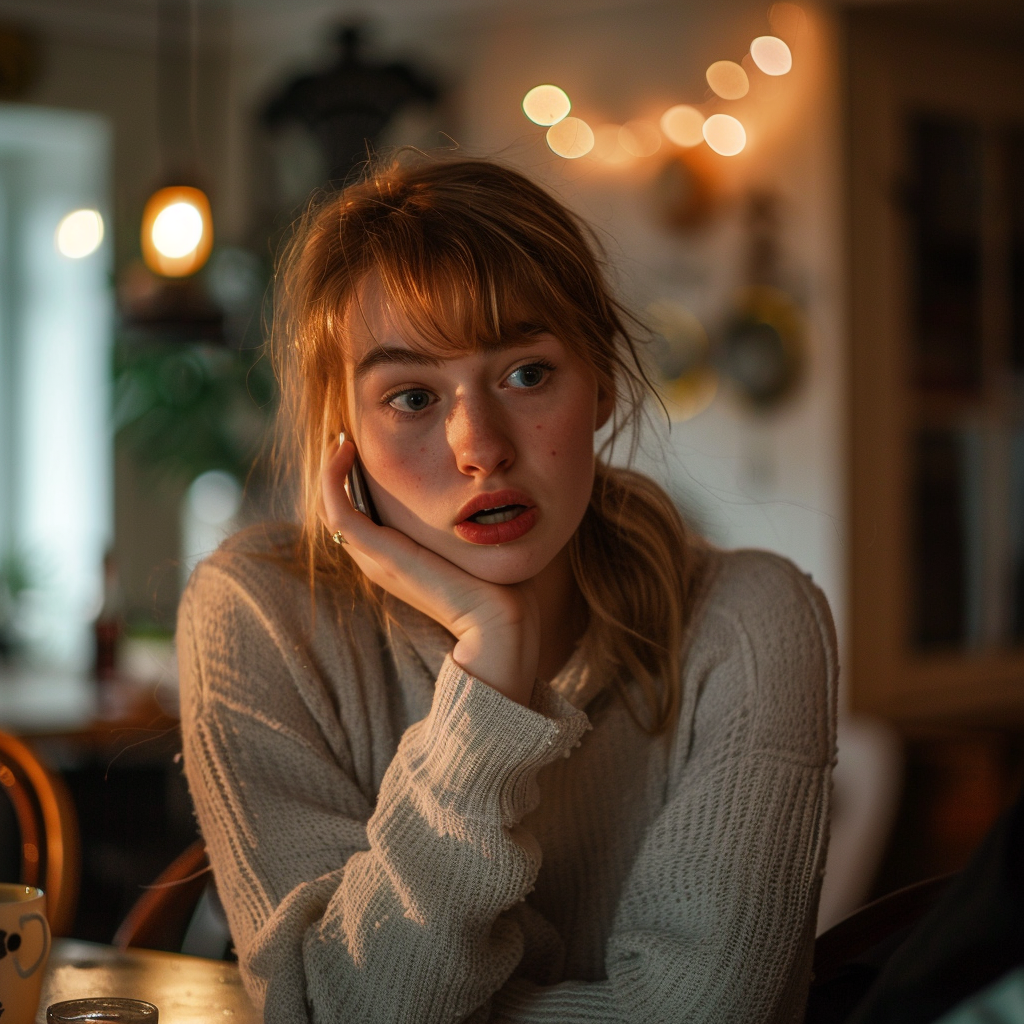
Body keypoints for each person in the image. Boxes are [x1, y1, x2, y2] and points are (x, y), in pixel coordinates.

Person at [177, 157, 838, 1024]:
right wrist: (490, 668)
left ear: (600, 382)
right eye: (411, 396)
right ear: (346, 434)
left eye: (526, 374)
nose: (478, 445)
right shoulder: (257, 616)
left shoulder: (753, 621)